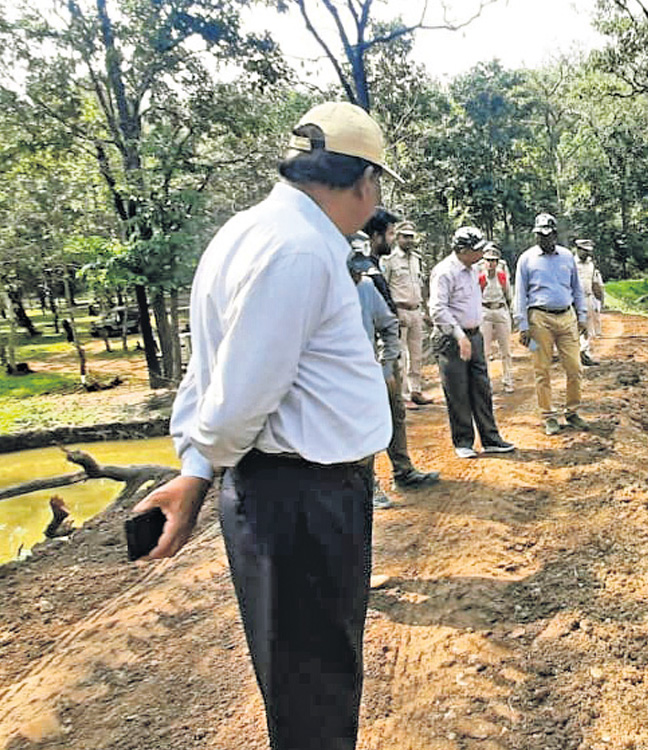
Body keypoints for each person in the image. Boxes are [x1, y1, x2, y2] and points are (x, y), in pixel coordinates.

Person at [133, 101, 398, 750]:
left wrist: (196, 469)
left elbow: (210, 372)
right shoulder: (301, 250)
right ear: (363, 182)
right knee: (316, 694)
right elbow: (242, 394)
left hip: (287, 497)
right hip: (303, 503)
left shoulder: (245, 232)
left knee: (307, 684)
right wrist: (203, 465)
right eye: (379, 184)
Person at [347, 249, 439, 509]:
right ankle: (368, 484)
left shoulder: (366, 287)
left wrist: (387, 365)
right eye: (352, 269)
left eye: (360, 269)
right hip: (340, 378)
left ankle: (403, 471)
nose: (358, 274)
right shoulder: (324, 292)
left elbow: (388, 326)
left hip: (371, 369)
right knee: (358, 428)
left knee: (395, 412)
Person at [428, 226, 516, 459]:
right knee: (458, 391)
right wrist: (459, 335)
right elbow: (437, 309)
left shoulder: (471, 270)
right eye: (476, 250)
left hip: (475, 335)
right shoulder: (444, 272)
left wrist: (472, 335)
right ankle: (464, 441)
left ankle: (491, 439)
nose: (480, 255)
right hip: (451, 338)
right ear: (462, 250)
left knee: (481, 387)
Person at [513, 213, 590, 436]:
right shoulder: (526, 259)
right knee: (542, 369)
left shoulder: (567, 257)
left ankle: (572, 411)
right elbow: (520, 294)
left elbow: (576, 289)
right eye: (539, 235)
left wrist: (582, 316)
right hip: (539, 319)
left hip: (567, 317)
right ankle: (548, 416)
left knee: (574, 367)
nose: (542, 239)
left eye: (546, 235)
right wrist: (522, 325)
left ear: (555, 234)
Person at [382, 216, 430, 406]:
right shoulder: (390, 260)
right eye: (405, 237)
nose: (408, 240)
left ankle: (416, 390)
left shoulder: (417, 260)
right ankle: (401, 395)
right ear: (397, 238)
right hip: (399, 311)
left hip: (416, 310)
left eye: (411, 237)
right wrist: (391, 313)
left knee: (416, 353)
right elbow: (384, 287)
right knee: (400, 355)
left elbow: (421, 285)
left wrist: (425, 310)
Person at [476, 242, 515, 393]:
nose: (491, 263)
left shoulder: (501, 276)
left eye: (494, 260)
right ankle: (487, 383)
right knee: (485, 350)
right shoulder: (481, 278)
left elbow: (508, 294)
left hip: (500, 309)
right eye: (488, 260)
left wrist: (510, 311)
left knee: (505, 349)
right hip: (485, 311)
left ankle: (508, 380)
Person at [574, 238, 605, 366]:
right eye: (584, 251)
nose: (587, 254)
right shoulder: (571, 263)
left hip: (587, 298)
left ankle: (584, 353)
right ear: (578, 249)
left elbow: (594, 282)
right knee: (573, 328)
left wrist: (599, 298)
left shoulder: (591, 265)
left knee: (587, 328)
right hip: (574, 299)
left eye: (588, 251)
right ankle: (575, 355)